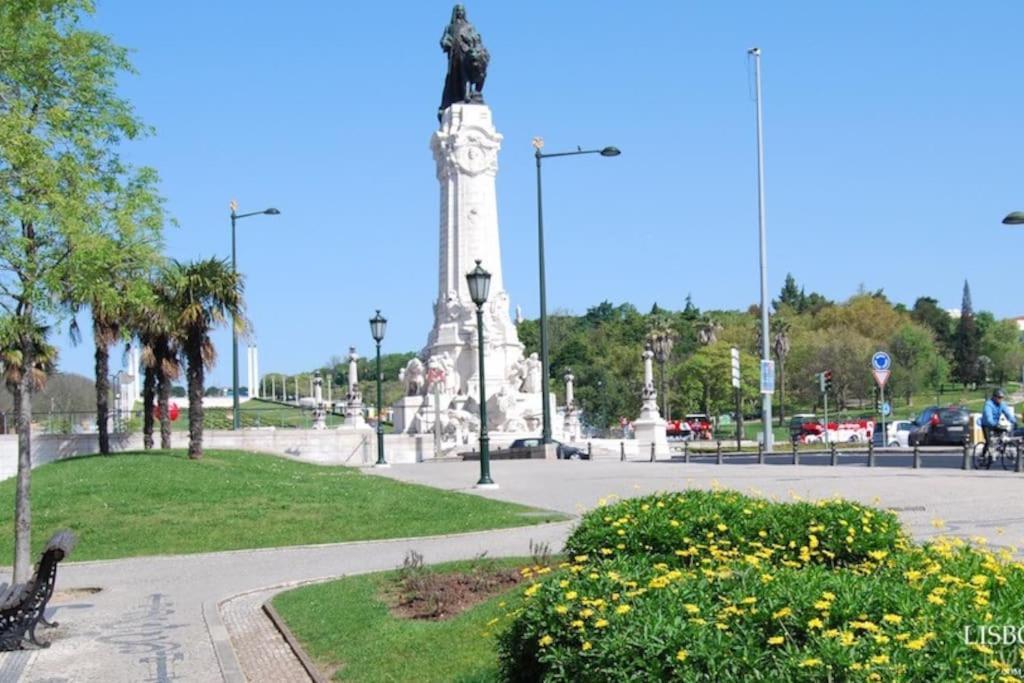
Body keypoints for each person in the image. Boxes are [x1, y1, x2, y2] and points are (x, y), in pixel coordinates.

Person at [980, 388, 1017, 468]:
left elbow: (1007, 414)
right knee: (988, 441)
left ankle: (997, 449)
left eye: (1002, 398)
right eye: (999, 398)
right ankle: (982, 456)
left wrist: (1014, 421)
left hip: (995, 423)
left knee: (1003, 433)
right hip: (986, 424)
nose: (1000, 399)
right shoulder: (988, 405)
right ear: (994, 397)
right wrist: (994, 424)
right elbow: (988, 417)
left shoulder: (1002, 404)